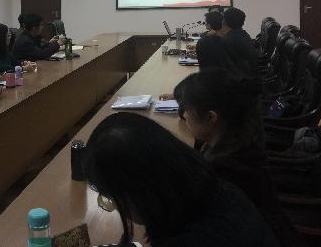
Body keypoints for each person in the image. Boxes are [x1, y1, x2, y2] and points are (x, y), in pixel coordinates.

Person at [83, 112, 279, 247]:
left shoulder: (191, 238)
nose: (118, 209)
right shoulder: (217, 189)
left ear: (142, 191)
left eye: (112, 199)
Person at [174, 69, 301, 247]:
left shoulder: (226, 169)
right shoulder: (237, 138)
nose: (183, 115)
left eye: (186, 109)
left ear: (211, 117)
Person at [220, 7, 258, 76]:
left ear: (224, 21)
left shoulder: (227, 40)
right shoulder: (243, 34)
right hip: (247, 74)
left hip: (237, 78)